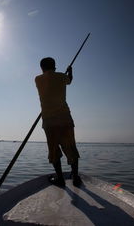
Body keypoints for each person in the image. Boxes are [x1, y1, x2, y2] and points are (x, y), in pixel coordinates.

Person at [35, 57, 81, 187]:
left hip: (49, 121)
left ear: (42, 68)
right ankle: (75, 177)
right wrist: (70, 71)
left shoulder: (37, 79)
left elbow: (48, 86)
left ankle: (60, 179)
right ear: (54, 66)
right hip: (65, 118)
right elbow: (70, 81)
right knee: (71, 148)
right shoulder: (62, 77)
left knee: (54, 150)